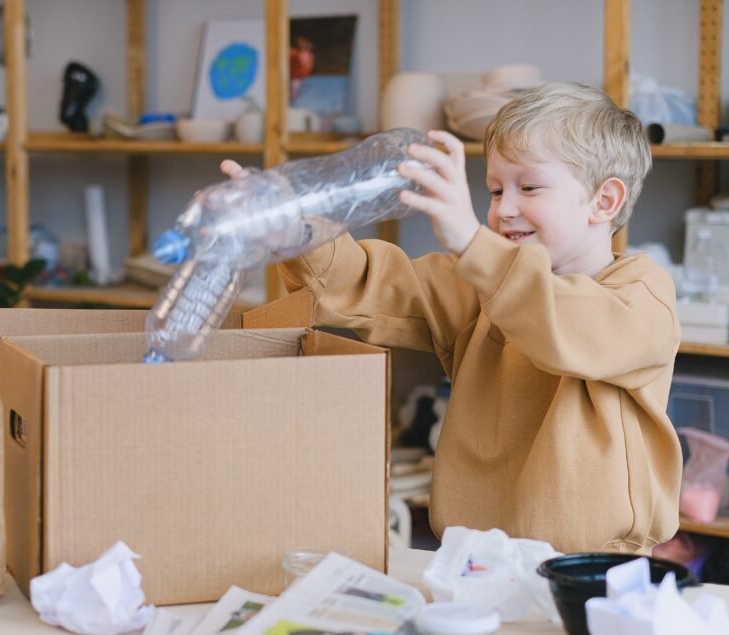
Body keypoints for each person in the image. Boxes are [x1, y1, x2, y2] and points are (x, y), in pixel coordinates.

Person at [221, 82, 681, 553]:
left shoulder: (642, 295)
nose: (504, 209)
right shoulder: (476, 284)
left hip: (594, 568)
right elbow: (365, 284)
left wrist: (472, 243)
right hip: (473, 559)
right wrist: (297, 233)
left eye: (529, 187)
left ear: (604, 201)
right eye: (495, 190)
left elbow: (565, 324)